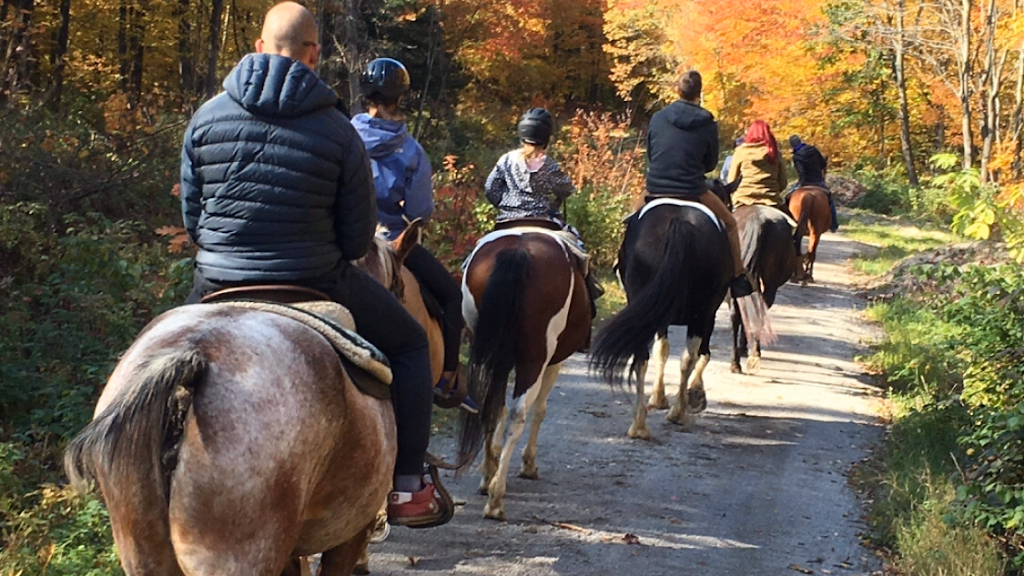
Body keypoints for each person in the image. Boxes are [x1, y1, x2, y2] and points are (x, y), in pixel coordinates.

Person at [179, 2, 450, 528]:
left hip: (215, 278)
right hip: (314, 277)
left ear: (259, 47)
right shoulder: (335, 128)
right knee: (412, 344)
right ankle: (408, 487)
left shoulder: (207, 115)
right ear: (315, 55)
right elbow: (354, 241)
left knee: (156, 363)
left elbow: (195, 223)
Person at [351, 57, 477, 413]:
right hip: (390, 241)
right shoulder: (410, 150)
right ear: (400, 97)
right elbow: (420, 212)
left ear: (365, 95)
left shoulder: (343, 136)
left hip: (345, 240)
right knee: (451, 298)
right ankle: (447, 379)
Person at [484, 107, 604, 337]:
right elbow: (566, 188)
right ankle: (589, 300)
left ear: (521, 133)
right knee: (579, 251)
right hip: (543, 220)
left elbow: (491, 188)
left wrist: (505, 204)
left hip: (507, 220)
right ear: (546, 137)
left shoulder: (505, 159)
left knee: (479, 252)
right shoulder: (547, 163)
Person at [644, 70, 753, 297]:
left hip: (655, 188)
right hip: (694, 190)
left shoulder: (657, 118)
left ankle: (621, 263)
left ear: (677, 90)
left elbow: (652, 154)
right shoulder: (708, 122)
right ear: (699, 93)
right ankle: (738, 277)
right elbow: (710, 163)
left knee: (632, 220)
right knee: (731, 224)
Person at [727, 120, 787, 211]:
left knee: (727, 223)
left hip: (743, 199)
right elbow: (783, 182)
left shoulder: (740, 152)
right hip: (770, 200)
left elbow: (731, 180)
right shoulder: (775, 153)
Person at [788, 135, 838, 232]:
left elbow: (801, 172)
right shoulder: (813, 150)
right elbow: (823, 164)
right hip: (818, 181)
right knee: (829, 199)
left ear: (792, 145)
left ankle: (787, 223)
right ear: (800, 141)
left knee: (787, 197)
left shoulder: (796, 156)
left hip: (805, 182)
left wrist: (801, 184)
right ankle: (833, 224)